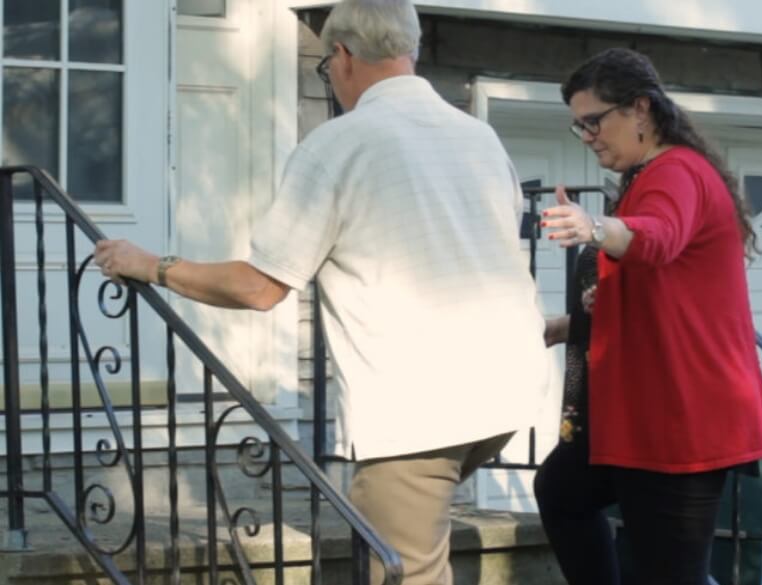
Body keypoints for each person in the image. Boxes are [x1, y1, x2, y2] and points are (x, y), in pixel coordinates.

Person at [93, 1, 550, 583]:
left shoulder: (341, 142)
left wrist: (153, 265)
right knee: (394, 535)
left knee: (401, 572)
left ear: (341, 55)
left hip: (425, 406)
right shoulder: (479, 137)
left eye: (326, 67)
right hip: (506, 392)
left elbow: (260, 287)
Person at [536, 48, 762, 585]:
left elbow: (655, 240)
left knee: (669, 575)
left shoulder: (677, 173)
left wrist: (593, 227)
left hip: (682, 422)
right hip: (640, 416)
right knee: (562, 490)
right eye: (579, 127)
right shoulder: (646, 178)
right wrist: (565, 328)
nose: (588, 135)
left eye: (594, 121)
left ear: (640, 109)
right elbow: (658, 296)